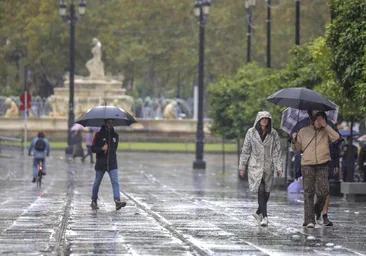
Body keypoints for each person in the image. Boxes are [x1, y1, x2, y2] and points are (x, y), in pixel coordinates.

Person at [291, 111, 340, 228]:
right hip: (307, 164)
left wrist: (326, 126)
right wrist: (294, 140)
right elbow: (297, 148)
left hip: (323, 164)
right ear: (313, 120)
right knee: (308, 192)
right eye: (317, 119)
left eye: (322, 118)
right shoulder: (303, 131)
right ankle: (309, 220)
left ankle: (316, 212)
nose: (319, 121)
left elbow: (337, 137)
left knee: (323, 191)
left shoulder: (326, 131)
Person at [238, 111, 283, 227]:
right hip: (255, 166)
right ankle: (265, 217)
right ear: (258, 120)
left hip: (268, 166)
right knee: (261, 189)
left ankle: (258, 212)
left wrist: (279, 167)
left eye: (267, 119)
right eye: (262, 118)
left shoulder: (273, 134)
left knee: (267, 192)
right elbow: (246, 150)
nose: (265, 120)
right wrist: (242, 166)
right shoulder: (251, 132)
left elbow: (277, 151)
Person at [90, 119, 126, 210]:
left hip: (112, 163)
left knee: (115, 182)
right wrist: (102, 148)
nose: (110, 123)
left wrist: (108, 149)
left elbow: (114, 149)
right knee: (97, 182)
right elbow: (93, 148)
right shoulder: (98, 135)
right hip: (101, 163)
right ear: (105, 122)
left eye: (112, 121)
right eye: (108, 121)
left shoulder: (115, 136)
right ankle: (94, 200)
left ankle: (117, 201)